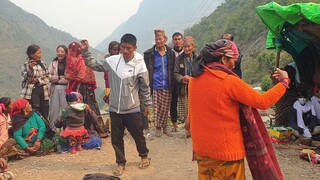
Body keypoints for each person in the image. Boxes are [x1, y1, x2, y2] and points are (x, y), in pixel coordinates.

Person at [189, 39, 288, 179]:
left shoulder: (194, 79)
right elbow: (263, 101)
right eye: (233, 59)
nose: (235, 63)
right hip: (226, 153)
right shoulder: (228, 82)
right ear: (224, 59)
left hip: (202, 150)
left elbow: (192, 112)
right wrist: (284, 83)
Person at [82, 33, 152, 176]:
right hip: (115, 108)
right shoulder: (113, 61)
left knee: (138, 134)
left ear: (135, 48)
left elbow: (145, 87)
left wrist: (146, 106)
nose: (125, 51)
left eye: (128, 48)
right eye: (123, 47)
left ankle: (144, 155)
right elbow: (93, 64)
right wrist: (85, 51)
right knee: (116, 137)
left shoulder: (140, 63)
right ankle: (120, 162)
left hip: (132, 108)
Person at [64, 42, 108, 138]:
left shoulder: (82, 60)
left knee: (89, 108)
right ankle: (79, 129)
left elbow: (81, 76)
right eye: (71, 50)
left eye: (74, 50)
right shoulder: (70, 60)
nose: (72, 52)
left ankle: (96, 129)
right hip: (76, 88)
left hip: (85, 89)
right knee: (77, 108)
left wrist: (70, 77)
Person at [144, 29, 176, 137]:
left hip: (168, 83)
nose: (158, 41)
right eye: (156, 39)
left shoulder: (170, 53)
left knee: (166, 107)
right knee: (157, 107)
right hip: (155, 84)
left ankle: (165, 127)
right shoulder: (149, 53)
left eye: (160, 38)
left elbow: (173, 68)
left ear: (165, 39)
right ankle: (158, 128)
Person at [173, 36, 197, 136]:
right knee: (186, 110)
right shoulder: (179, 59)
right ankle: (187, 130)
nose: (187, 49)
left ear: (193, 47)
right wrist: (183, 78)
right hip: (184, 88)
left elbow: (201, 72)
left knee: (195, 110)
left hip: (195, 88)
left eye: (189, 46)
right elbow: (175, 73)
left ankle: (195, 130)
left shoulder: (198, 58)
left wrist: (192, 78)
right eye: (185, 46)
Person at [21, 44, 50, 120]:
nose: (40, 55)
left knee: (44, 113)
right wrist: (30, 69)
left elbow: (48, 76)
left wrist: (38, 80)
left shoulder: (43, 64)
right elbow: (28, 80)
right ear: (31, 54)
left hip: (43, 92)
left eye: (40, 52)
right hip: (31, 93)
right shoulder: (25, 65)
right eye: (38, 53)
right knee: (33, 112)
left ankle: (45, 130)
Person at [48, 45, 69, 132]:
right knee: (54, 109)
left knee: (66, 108)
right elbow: (49, 76)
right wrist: (60, 77)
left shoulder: (68, 64)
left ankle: (68, 129)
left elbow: (69, 78)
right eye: (58, 51)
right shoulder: (53, 64)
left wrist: (57, 78)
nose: (60, 53)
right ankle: (53, 130)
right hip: (54, 88)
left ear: (66, 53)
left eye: (62, 52)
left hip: (66, 89)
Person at [170, 32, 184, 132]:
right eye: (175, 39)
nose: (177, 41)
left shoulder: (186, 52)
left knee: (184, 103)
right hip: (172, 82)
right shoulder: (170, 53)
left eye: (179, 39)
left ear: (182, 40)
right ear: (173, 41)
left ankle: (185, 124)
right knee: (173, 103)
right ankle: (174, 124)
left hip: (183, 82)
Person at [103, 41, 120, 105]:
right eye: (114, 50)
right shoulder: (107, 62)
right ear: (110, 51)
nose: (117, 52)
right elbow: (107, 77)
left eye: (118, 50)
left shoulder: (121, 61)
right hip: (109, 87)